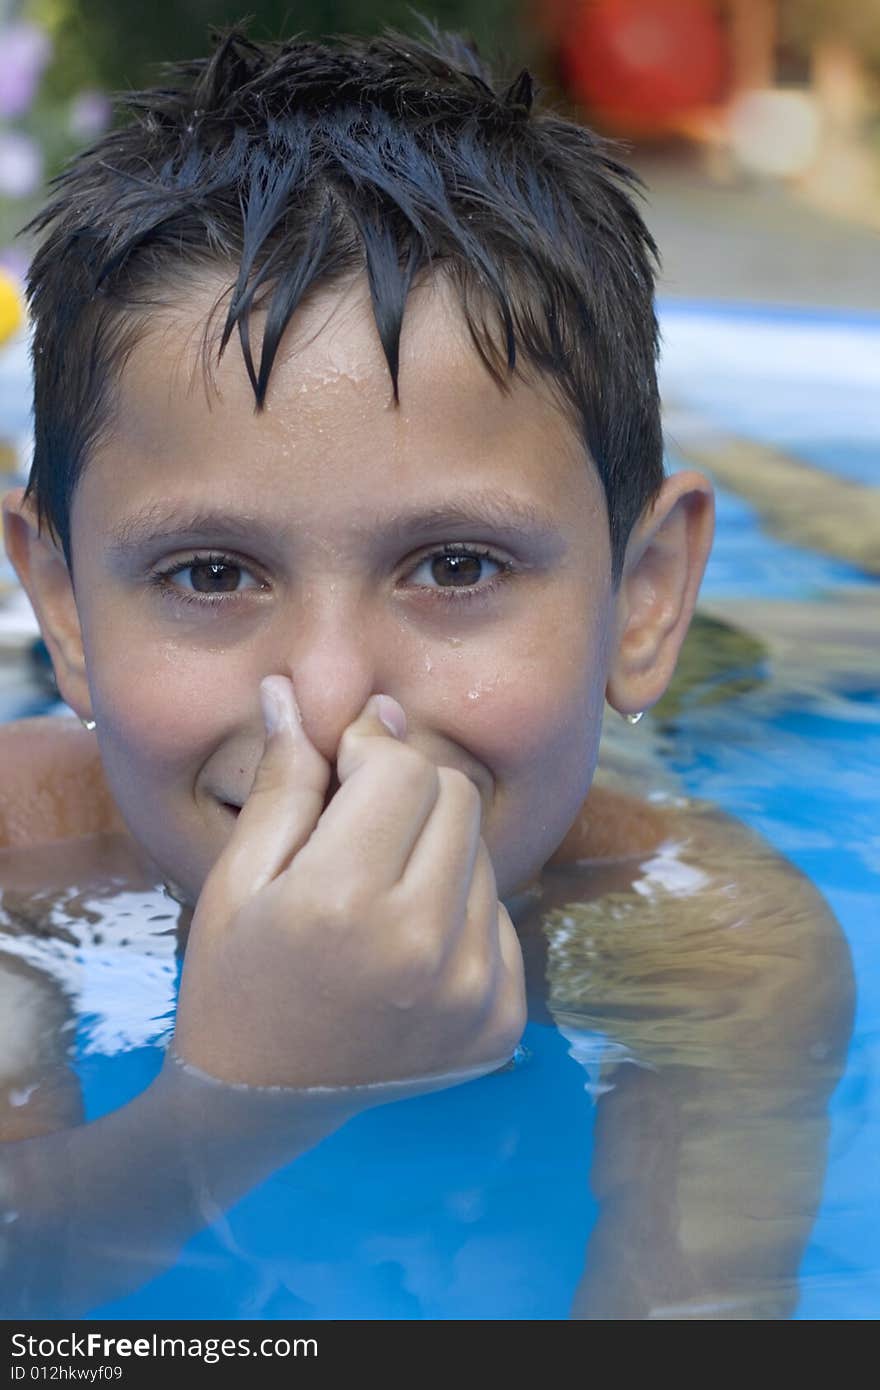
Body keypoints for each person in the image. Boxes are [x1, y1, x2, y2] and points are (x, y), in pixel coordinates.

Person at [0, 20, 852, 1318]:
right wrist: (221, 1110)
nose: (333, 700)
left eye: (455, 565)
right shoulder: (19, 873)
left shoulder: (713, 949)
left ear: (643, 603)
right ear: (61, 607)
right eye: (211, 574)